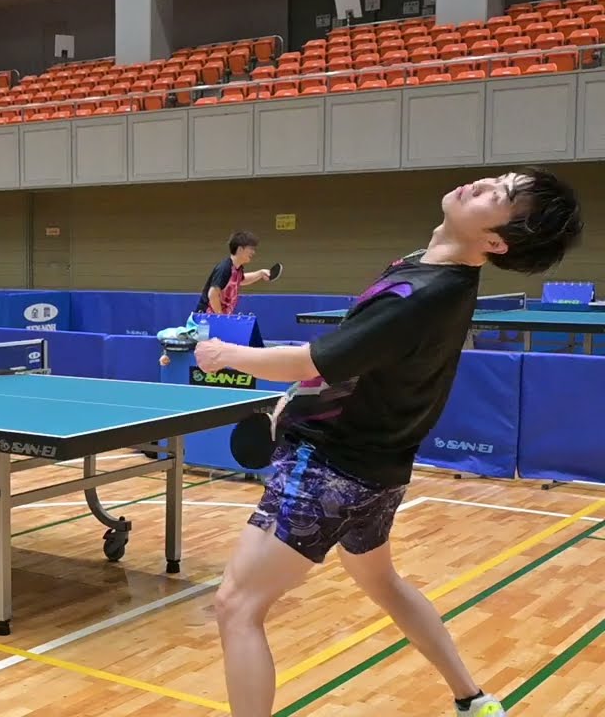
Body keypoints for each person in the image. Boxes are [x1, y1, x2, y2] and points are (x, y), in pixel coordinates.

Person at [193, 167, 582, 717]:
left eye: (500, 195)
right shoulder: (431, 269)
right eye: (499, 178)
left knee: (237, 605)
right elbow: (358, 365)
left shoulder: (422, 295)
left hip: (328, 469)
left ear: (496, 242)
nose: (483, 184)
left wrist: (225, 355)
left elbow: (309, 360)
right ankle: (472, 700)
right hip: (378, 472)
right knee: (383, 583)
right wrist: (296, 401)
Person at [159, 230, 274, 367]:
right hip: (206, 320)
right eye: (251, 248)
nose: (253, 252)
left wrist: (260, 274)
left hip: (217, 319)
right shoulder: (225, 268)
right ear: (240, 249)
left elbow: (242, 280)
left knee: (247, 335)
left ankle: (259, 364)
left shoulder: (237, 269)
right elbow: (213, 294)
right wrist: (222, 318)